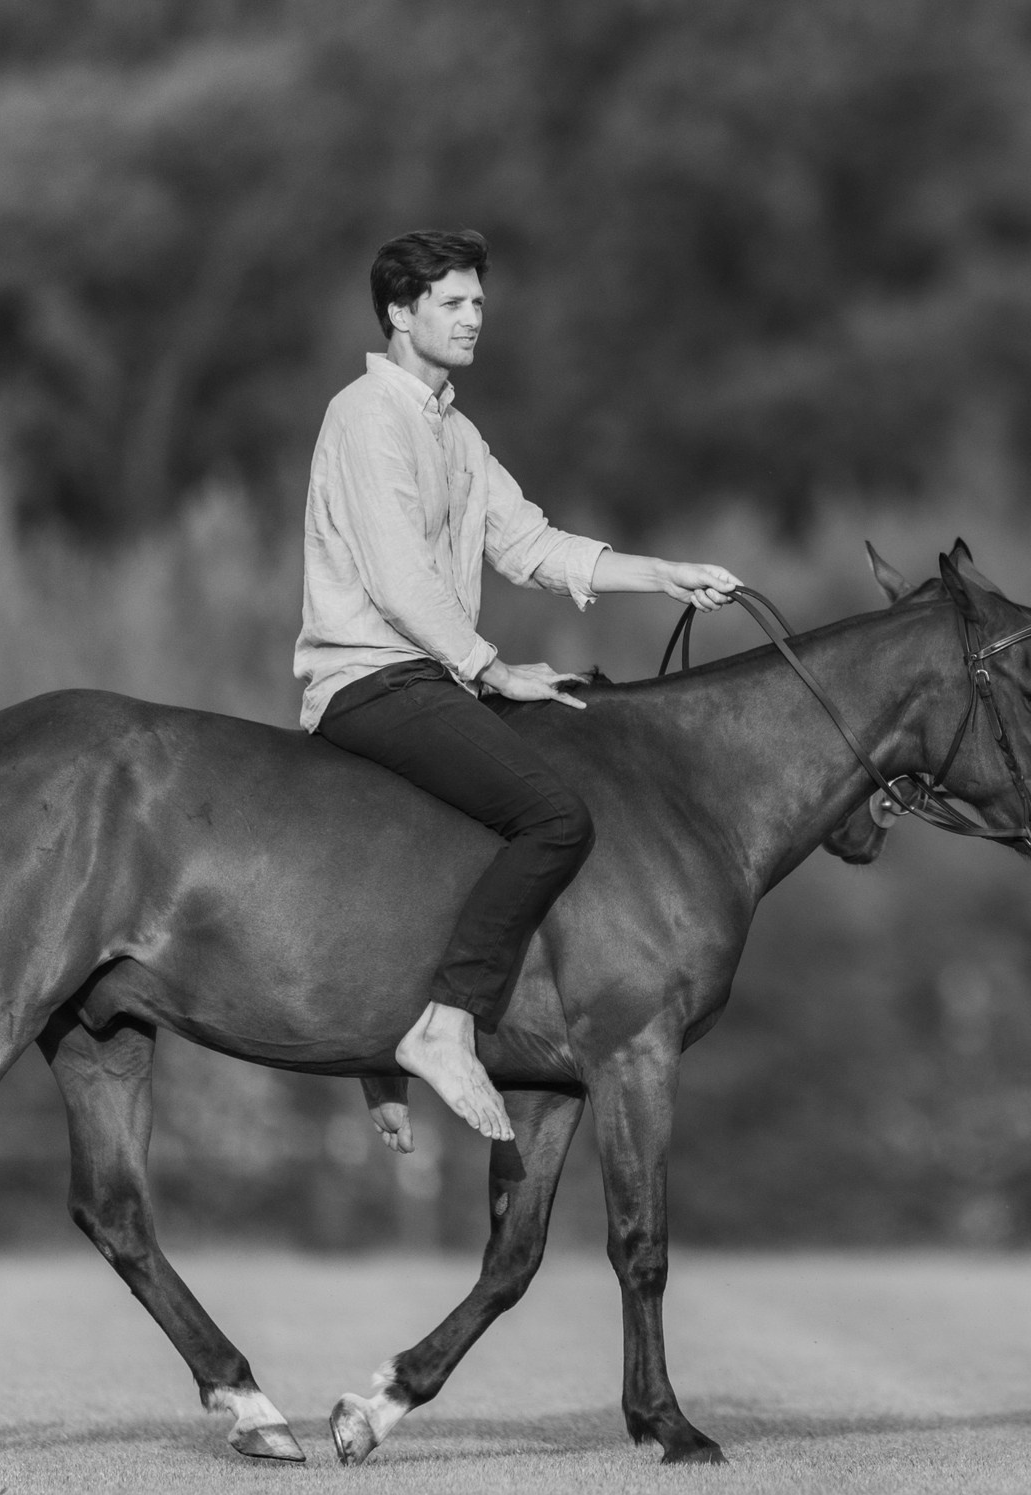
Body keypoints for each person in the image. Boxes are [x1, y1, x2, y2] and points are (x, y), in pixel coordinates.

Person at [298, 228, 742, 1157]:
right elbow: (397, 578)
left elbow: (531, 545)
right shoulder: (365, 416)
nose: (472, 320)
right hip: (369, 678)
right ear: (399, 312)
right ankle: (441, 1024)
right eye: (453, 303)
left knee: (544, 768)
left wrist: (659, 572)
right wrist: (493, 667)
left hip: (431, 675)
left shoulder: (455, 432)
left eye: (479, 305)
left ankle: (390, 1041)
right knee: (556, 818)